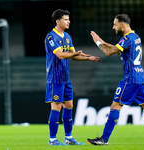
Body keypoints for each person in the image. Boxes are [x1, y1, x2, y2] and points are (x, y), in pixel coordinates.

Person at [87, 14, 144, 145]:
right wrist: (103, 41)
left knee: (115, 105)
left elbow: (108, 52)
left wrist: (98, 41)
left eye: (115, 24)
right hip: (140, 77)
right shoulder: (135, 37)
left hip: (130, 78)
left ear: (122, 25)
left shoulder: (127, 38)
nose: (113, 27)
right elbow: (118, 49)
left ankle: (104, 139)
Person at [45, 9, 100, 146]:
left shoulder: (67, 37)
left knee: (69, 105)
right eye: (65, 19)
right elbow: (61, 55)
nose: (68, 21)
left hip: (65, 77)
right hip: (55, 78)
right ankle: (52, 139)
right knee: (56, 107)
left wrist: (88, 57)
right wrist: (75, 54)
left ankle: (68, 137)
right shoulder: (51, 37)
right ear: (58, 21)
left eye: (68, 19)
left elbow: (74, 55)